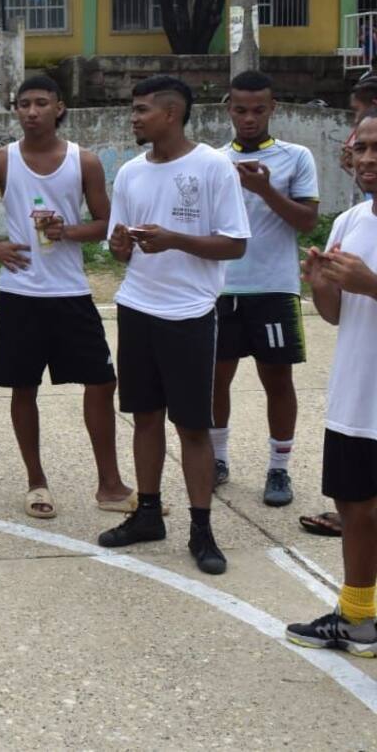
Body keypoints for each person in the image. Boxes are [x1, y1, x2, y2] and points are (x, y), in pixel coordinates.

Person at [0, 75, 133, 518]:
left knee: (102, 381)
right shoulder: (0, 162)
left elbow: (106, 224)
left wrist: (67, 230)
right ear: (15, 110)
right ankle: (36, 482)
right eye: (23, 104)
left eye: (40, 103)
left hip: (70, 290)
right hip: (21, 292)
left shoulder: (83, 161)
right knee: (23, 386)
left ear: (59, 107)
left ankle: (109, 484)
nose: (31, 112)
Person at [98, 76, 250, 576]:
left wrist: (175, 240)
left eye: (142, 110)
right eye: (133, 110)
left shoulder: (212, 167)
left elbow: (234, 244)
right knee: (144, 416)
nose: (134, 118)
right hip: (137, 306)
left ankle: (201, 527)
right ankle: (147, 513)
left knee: (192, 426)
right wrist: (122, 247)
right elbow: (119, 248)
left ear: (171, 113)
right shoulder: (130, 173)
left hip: (189, 312)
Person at [286, 109, 377, 657]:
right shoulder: (350, 221)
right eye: (361, 148)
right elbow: (337, 316)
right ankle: (358, 618)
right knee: (354, 508)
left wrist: (370, 283)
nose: (367, 160)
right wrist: (321, 284)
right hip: (356, 393)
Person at [211, 70, 319, 506]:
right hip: (221, 287)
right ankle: (218, 459)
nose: (249, 118)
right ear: (229, 110)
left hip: (274, 288)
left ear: (273, 109)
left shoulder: (297, 157)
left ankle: (279, 468)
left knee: (277, 379)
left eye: (259, 110)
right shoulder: (213, 159)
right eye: (241, 109)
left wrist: (264, 188)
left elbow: (307, 221)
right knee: (216, 378)